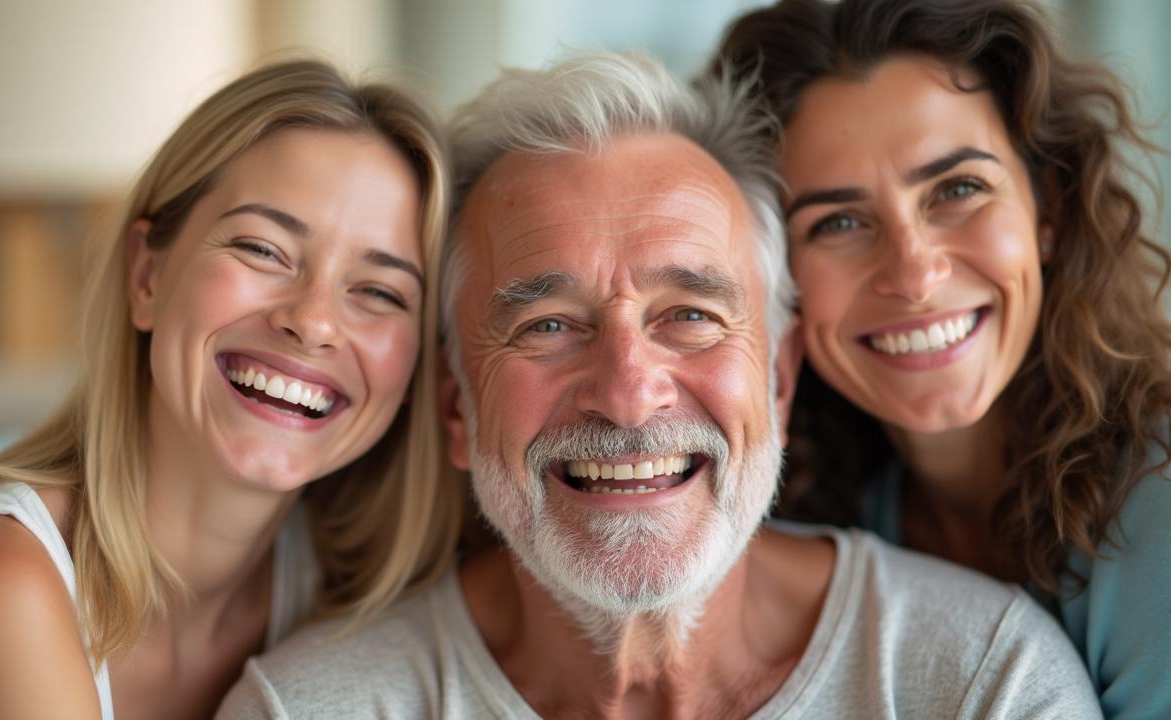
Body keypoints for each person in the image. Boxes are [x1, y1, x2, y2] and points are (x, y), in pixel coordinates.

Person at [217, 51, 1100, 719]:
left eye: (691, 316)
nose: (629, 393)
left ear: (780, 379)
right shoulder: (310, 709)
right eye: (548, 326)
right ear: (458, 407)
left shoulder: (985, 681)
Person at [0, 58, 462, 719]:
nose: (311, 322)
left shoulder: (368, 599)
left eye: (380, 291)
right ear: (146, 277)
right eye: (263, 249)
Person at [706, 0, 1171, 717]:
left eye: (958, 190)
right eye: (839, 222)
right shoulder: (805, 508)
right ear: (774, 279)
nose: (915, 273)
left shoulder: (1159, 502)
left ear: (1046, 208)